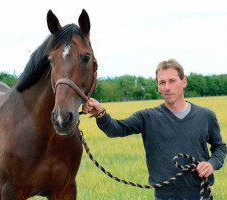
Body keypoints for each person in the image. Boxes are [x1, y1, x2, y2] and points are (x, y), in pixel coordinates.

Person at [82, 59, 227, 200]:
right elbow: (116, 129)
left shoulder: (205, 116)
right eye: (162, 82)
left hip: (201, 194)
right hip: (164, 196)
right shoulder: (147, 117)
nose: (167, 87)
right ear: (158, 86)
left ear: (184, 82)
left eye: (172, 81)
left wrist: (211, 164)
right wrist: (101, 113)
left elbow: (220, 147)